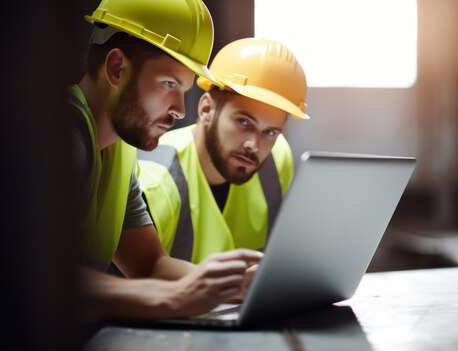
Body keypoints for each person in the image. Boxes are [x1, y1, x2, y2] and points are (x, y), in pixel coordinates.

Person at [69, 0, 263, 323]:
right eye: (169, 84)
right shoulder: (62, 138)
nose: (180, 110)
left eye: (183, 89)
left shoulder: (119, 152)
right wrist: (172, 298)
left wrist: (236, 284)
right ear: (117, 68)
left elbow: (151, 265)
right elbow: (42, 279)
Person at [137, 38, 309, 263]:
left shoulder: (277, 159)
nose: (254, 145)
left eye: (270, 132)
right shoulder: (156, 181)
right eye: (244, 122)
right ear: (206, 109)